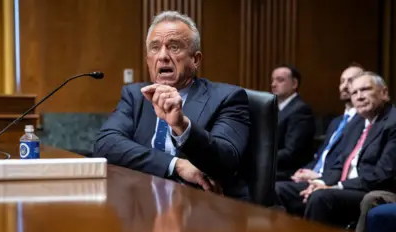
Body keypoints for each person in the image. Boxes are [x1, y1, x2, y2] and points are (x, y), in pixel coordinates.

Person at [93, 11, 250, 198]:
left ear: (195, 59)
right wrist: (176, 165)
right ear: (148, 60)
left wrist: (182, 126)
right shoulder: (136, 95)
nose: (163, 56)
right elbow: (106, 144)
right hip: (144, 200)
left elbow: (226, 161)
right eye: (155, 48)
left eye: (174, 47)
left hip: (203, 206)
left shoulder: (228, 97)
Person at [276, 71, 396, 227]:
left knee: (320, 198)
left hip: (371, 190)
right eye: (354, 93)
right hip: (343, 187)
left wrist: (336, 186)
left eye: (365, 89)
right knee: (278, 190)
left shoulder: (392, 122)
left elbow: (383, 175)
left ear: (384, 93)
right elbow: (340, 164)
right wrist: (319, 182)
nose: (359, 96)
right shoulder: (357, 123)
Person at [289, 65, 364, 183]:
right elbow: (321, 156)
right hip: (313, 178)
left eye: (351, 81)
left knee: (274, 190)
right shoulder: (336, 122)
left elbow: (346, 160)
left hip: (329, 181)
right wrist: (304, 171)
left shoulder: (363, 121)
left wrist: (319, 177)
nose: (344, 86)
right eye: (342, 81)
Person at [271, 65, 315, 179]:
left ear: (294, 84)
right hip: (273, 167)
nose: (273, 84)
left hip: (288, 171)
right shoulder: (274, 109)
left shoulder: (300, 110)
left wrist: (261, 158)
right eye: (272, 80)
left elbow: (291, 153)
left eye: (280, 80)